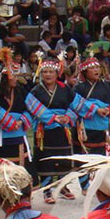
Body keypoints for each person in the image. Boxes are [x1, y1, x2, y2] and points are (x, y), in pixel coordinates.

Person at [25, 56, 77, 205]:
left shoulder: (64, 88)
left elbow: (77, 105)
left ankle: (62, 186)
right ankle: (47, 188)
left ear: (57, 73)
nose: (47, 75)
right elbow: (32, 106)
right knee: (45, 157)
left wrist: (68, 116)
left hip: (63, 128)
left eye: (51, 72)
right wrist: (54, 118)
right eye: (44, 72)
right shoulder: (36, 91)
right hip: (44, 129)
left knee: (63, 157)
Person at [0, 52, 33, 166]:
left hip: (19, 134)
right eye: (14, 76)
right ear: (6, 77)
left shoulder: (20, 90)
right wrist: (8, 122)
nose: (16, 79)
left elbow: (30, 110)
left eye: (17, 76)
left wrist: (21, 120)